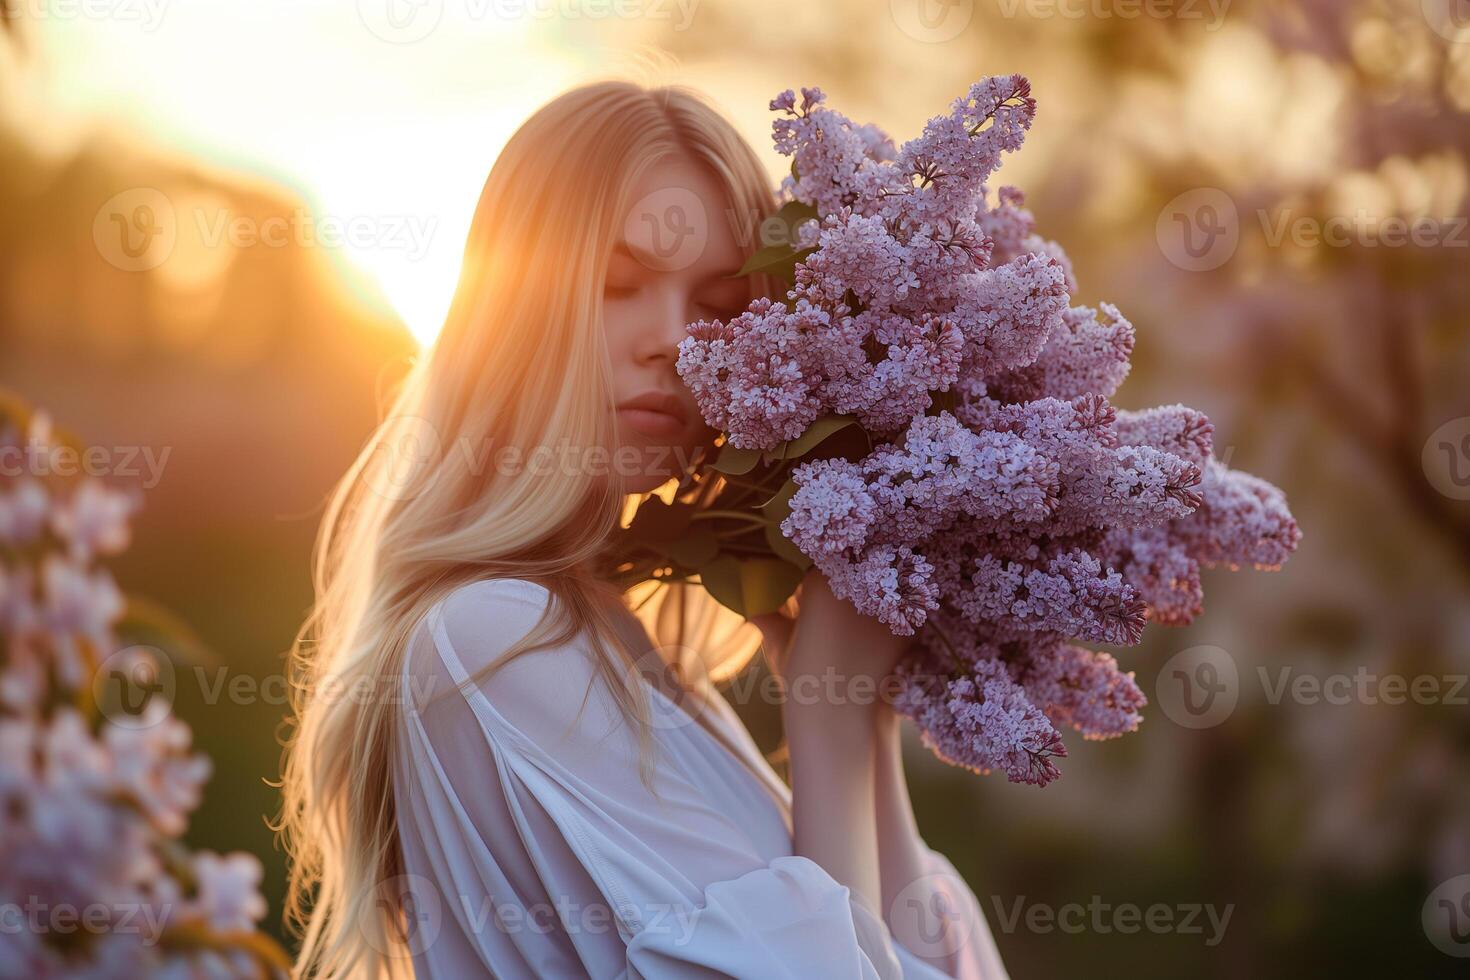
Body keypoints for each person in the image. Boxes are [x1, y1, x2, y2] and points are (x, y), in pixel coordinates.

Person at [278, 79, 1009, 980]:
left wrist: (862, 722)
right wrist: (824, 712)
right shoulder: (495, 640)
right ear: (513, 313)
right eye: (618, 285)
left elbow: (925, 964)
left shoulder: (638, 655)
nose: (674, 340)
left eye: (715, 304)